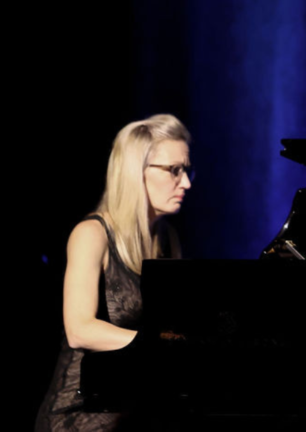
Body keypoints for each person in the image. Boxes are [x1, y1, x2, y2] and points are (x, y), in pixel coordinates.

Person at [36, 114, 193, 431]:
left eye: (187, 170)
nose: (186, 182)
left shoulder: (168, 238)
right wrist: (165, 345)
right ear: (136, 173)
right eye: (174, 170)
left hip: (134, 408)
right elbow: (79, 329)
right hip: (79, 413)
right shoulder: (91, 234)